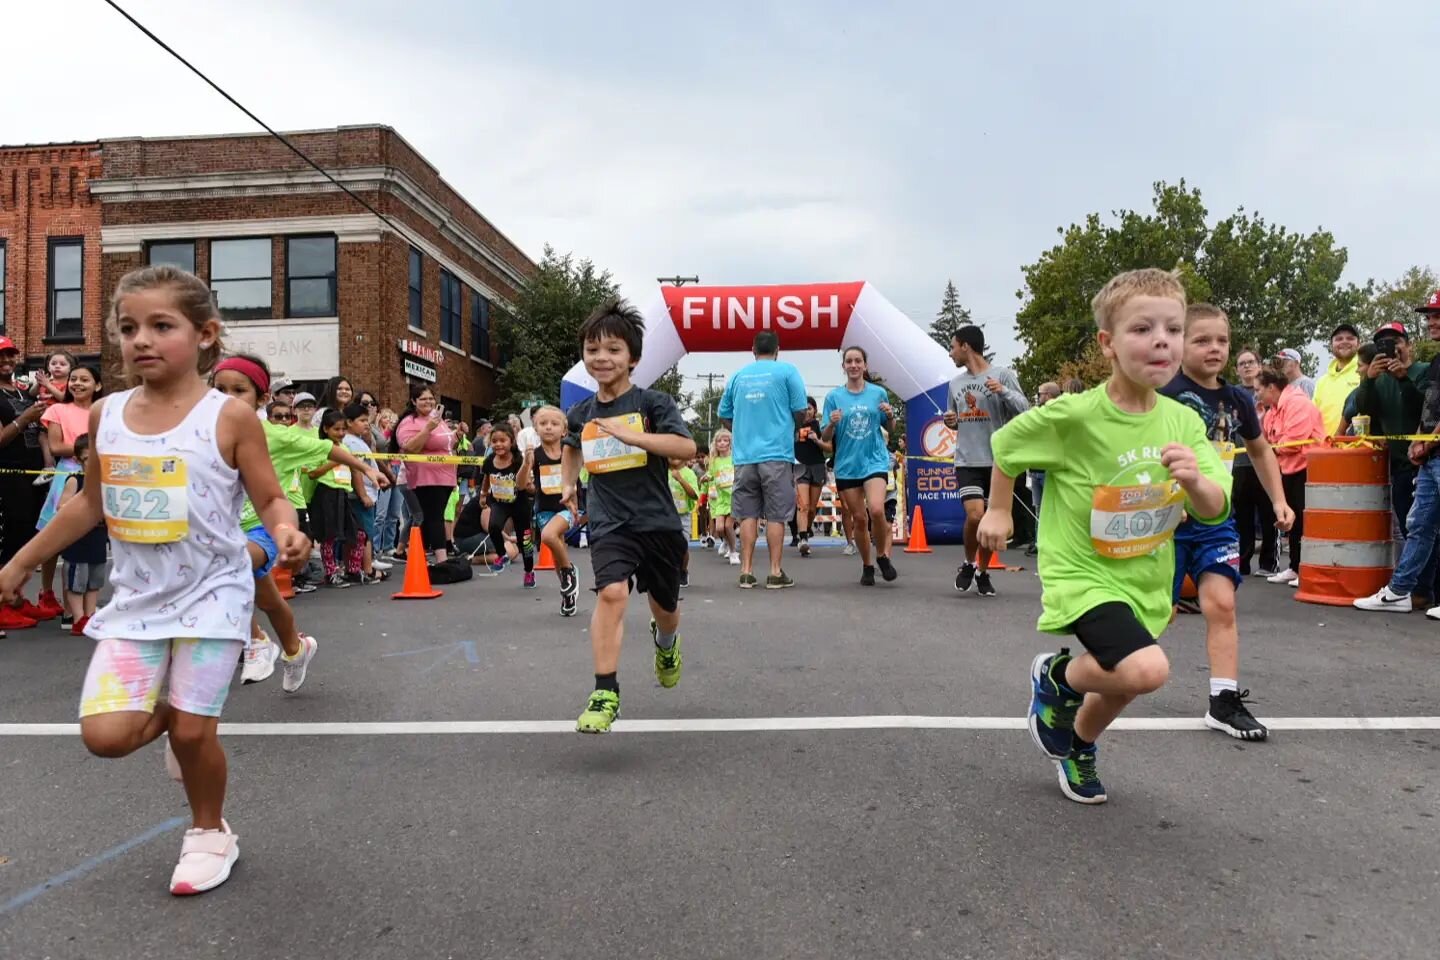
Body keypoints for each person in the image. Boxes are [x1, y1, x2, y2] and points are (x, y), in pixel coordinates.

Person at [0, 263, 308, 894]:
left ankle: (209, 833)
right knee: (105, 737)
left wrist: (285, 532)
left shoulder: (229, 418)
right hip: (139, 597)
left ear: (204, 334)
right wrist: (22, 561)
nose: (140, 339)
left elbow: (272, 499)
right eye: (128, 327)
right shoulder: (107, 414)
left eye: (160, 325)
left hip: (215, 591)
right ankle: (176, 716)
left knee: (198, 730)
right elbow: (89, 504)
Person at [980, 267, 1231, 804]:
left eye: (1173, 329)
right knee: (1146, 667)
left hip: (1145, 576)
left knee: (1127, 678)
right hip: (1083, 572)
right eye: (1142, 329)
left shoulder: (1185, 423)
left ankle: (1078, 744)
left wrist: (1194, 480)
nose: (1161, 340)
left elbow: (1214, 509)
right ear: (1108, 345)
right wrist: (999, 510)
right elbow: (1005, 445)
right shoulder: (1075, 416)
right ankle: (1060, 679)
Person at [561, 297, 695, 734]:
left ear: (632, 358)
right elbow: (571, 448)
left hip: (657, 521)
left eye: (613, 350)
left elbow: (685, 448)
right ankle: (605, 692)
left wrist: (633, 436)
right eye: (593, 350)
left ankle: (667, 643)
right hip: (609, 521)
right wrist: (568, 484)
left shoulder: (653, 402)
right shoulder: (581, 412)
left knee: (666, 607)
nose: (602, 358)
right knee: (612, 593)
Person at [1160, 305, 1294, 740]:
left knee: (1222, 603)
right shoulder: (1163, 392)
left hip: (1216, 520)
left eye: (1221, 340)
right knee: (1156, 615)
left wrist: (1279, 500)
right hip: (1167, 521)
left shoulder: (1237, 399)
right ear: (1180, 344)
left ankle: (1223, 700)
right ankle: (1084, 680)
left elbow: (1259, 450)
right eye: (1201, 340)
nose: (1213, 348)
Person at [212, 355, 378, 683]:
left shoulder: (273, 435)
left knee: (228, 564)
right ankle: (294, 648)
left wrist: (366, 468)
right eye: (219, 389)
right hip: (224, 527)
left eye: (239, 390)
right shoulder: (202, 429)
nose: (228, 398)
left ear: (260, 398)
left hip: (263, 524)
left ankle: (256, 640)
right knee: (268, 598)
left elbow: (327, 449)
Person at [1354, 296, 1440, 615]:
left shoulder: (1420, 370)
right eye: (1383, 344)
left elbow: (1424, 407)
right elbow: (1363, 410)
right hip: (1407, 461)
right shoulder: (1379, 378)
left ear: (1408, 345)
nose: (1391, 348)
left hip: (1426, 453)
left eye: (1396, 341)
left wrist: (1403, 377)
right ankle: (1411, 591)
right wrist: (1369, 379)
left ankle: (1425, 590)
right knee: (1416, 527)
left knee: (1426, 528)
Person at [943, 325, 1030, 597]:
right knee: (975, 516)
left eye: (953, 346)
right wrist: (951, 421)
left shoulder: (1002, 374)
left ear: (966, 346)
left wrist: (1003, 391)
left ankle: (982, 571)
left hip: (997, 461)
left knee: (990, 523)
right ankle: (968, 563)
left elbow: (1025, 408)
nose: (950, 353)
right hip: (967, 459)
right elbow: (956, 418)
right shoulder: (955, 383)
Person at [717, 332, 807, 589]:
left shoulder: (738, 375)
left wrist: (741, 431)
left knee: (747, 514)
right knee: (777, 515)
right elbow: (800, 409)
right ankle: (775, 572)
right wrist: (789, 428)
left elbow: (724, 413)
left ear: (752, 349)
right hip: (777, 454)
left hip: (745, 456)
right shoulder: (788, 372)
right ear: (778, 349)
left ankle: (746, 571)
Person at [822, 347, 898, 586]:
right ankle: (867, 565)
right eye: (849, 361)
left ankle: (882, 557)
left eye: (858, 361)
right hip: (847, 464)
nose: (853, 365)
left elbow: (891, 427)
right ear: (843, 366)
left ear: (865, 365)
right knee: (859, 519)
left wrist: (891, 415)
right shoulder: (833, 397)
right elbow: (825, 436)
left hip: (874, 459)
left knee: (876, 509)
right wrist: (832, 424)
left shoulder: (878, 394)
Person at [38, 364, 102, 626]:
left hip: (97, 474)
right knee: (61, 539)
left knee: (93, 541)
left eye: (84, 379)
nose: (77, 384)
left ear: (97, 385)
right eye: (73, 379)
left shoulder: (102, 412)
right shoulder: (57, 409)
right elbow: (55, 446)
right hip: (68, 476)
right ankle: (65, 606)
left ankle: (87, 609)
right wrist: (88, 449)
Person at [0, 336, 53, 630]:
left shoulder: (20, 392)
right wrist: (24, 420)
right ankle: (3, 604)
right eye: (1, 357)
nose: (7, 361)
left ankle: (17, 598)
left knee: (26, 539)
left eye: (10, 355)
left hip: (33, 474)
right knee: (10, 538)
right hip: (9, 474)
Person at [1257, 369, 1324, 586]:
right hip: (1287, 469)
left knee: (1307, 521)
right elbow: (1267, 439)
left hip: (1309, 468)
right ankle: (1295, 567)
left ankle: (1307, 568)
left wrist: (1271, 450)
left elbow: (1292, 440)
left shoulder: (1298, 403)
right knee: (1292, 521)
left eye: (1259, 389)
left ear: (1271, 387)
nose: (1257, 394)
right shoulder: (1271, 411)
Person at [394, 385, 458, 563]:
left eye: (430, 398)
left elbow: (446, 443)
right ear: (414, 401)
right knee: (434, 516)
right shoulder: (409, 422)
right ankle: (441, 560)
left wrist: (458, 435)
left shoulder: (438, 419)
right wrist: (427, 429)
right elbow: (410, 447)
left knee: (432, 517)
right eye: (423, 399)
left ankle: (417, 556)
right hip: (425, 477)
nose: (428, 402)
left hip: (446, 476)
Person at [1231, 347, 1279, 575]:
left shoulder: (1270, 392)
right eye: (1242, 363)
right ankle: (1242, 562)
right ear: (1237, 370)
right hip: (1239, 463)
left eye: (1251, 362)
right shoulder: (1231, 394)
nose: (1247, 366)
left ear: (1260, 365)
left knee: (1269, 513)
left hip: (1265, 462)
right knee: (1242, 517)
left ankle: (1269, 563)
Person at [531, 405, 581, 615]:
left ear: (564, 430)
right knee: (555, 556)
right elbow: (525, 485)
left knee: (548, 536)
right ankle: (568, 595)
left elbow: (575, 480)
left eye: (554, 424)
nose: (548, 428)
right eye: (543, 424)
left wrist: (577, 506)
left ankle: (570, 573)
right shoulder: (534, 455)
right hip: (544, 509)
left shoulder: (568, 451)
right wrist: (525, 468)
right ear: (536, 428)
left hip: (566, 507)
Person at [58, 433, 107, 635]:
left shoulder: (105, 481)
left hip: (97, 539)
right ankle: (78, 618)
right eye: (87, 460)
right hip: (78, 540)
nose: (91, 464)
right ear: (78, 461)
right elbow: (62, 506)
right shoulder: (74, 480)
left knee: (94, 580)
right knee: (76, 581)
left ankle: (90, 615)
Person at [480, 422, 536, 587]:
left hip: (519, 504)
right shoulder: (489, 460)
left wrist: (530, 486)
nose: (498, 444)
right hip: (499, 502)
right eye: (494, 441)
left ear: (511, 441)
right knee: (494, 527)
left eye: (502, 440)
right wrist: (483, 495)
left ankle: (529, 571)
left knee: (524, 540)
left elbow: (528, 482)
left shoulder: (519, 460)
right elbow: (486, 478)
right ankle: (502, 554)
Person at [342, 403, 388, 583]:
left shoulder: (359, 440)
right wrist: (363, 495)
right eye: (361, 421)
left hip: (369, 491)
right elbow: (356, 471)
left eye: (367, 420)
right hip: (360, 496)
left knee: (359, 534)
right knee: (364, 534)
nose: (366, 424)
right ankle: (367, 570)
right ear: (349, 422)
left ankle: (354, 568)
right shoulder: (349, 442)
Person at [1024, 382, 1062, 557]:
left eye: (1040, 394)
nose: (1038, 397)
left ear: (1048, 395)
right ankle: (1040, 542)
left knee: (1052, 508)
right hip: (1036, 469)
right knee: (1039, 508)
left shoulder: (1060, 414)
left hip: (1049, 469)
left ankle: (1053, 542)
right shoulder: (1037, 414)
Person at [792, 397, 832, 557]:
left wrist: (817, 440)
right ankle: (802, 539)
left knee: (812, 508)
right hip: (800, 466)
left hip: (816, 466)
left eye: (809, 408)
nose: (807, 411)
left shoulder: (820, 426)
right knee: (803, 505)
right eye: (804, 408)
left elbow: (829, 447)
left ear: (815, 410)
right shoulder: (793, 425)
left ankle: (807, 529)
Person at [1313, 323, 1362, 436]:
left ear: (1359, 344)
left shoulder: (1366, 373)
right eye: (1339, 339)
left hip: (1357, 449)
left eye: (1350, 338)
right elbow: (1313, 417)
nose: (1344, 341)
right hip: (1326, 449)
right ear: (1331, 345)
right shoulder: (1322, 382)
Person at [669, 457, 700, 587]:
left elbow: (694, 495)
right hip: (666, 515)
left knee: (682, 546)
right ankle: (670, 572)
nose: (674, 458)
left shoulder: (689, 473)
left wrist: (680, 479)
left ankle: (683, 570)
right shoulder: (662, 472)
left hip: (683, 515)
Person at [708, 430, 737, 562]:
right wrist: (705, 478)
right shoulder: (714, 461)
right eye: (719, 441)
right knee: (719, 528)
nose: (722, 443)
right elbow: (711, 475)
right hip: (720, 499)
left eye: (725, 440)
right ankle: (725, 541)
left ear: (730, 443)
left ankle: (733, 552)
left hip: (733, 497)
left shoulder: (734, 458)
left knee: (728, 526)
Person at [1337, 344, 1378, 437]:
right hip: (1357, 449)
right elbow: (1339, 433)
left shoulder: (1394, 391)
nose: (1357, 370)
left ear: (1375, 366)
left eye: (1360, 366)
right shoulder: (1354, 395)